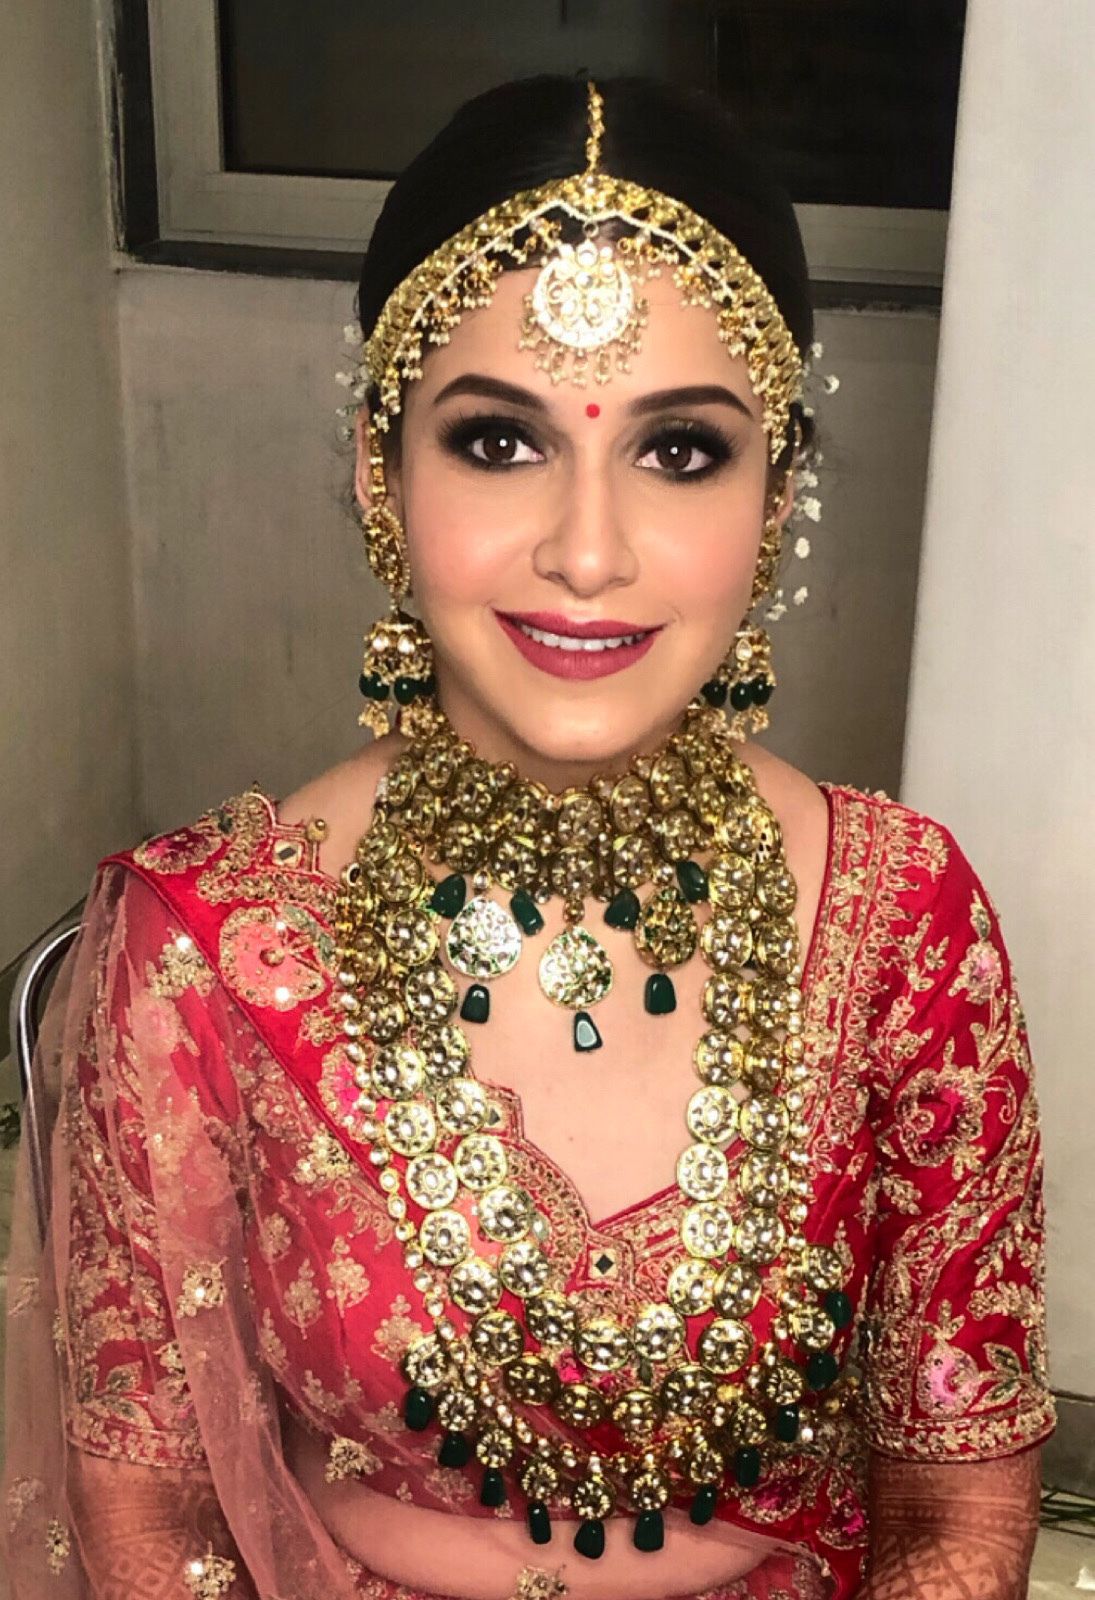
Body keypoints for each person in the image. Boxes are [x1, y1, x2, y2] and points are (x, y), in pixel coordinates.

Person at [2, 75, 1054, 1600]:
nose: (586, 551)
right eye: (500, 442)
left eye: (678, 452)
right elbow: (151, 1513)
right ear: (379, 472)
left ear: (777, 498)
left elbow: (959, 1508)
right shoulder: (210, 951)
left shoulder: (905, 923)